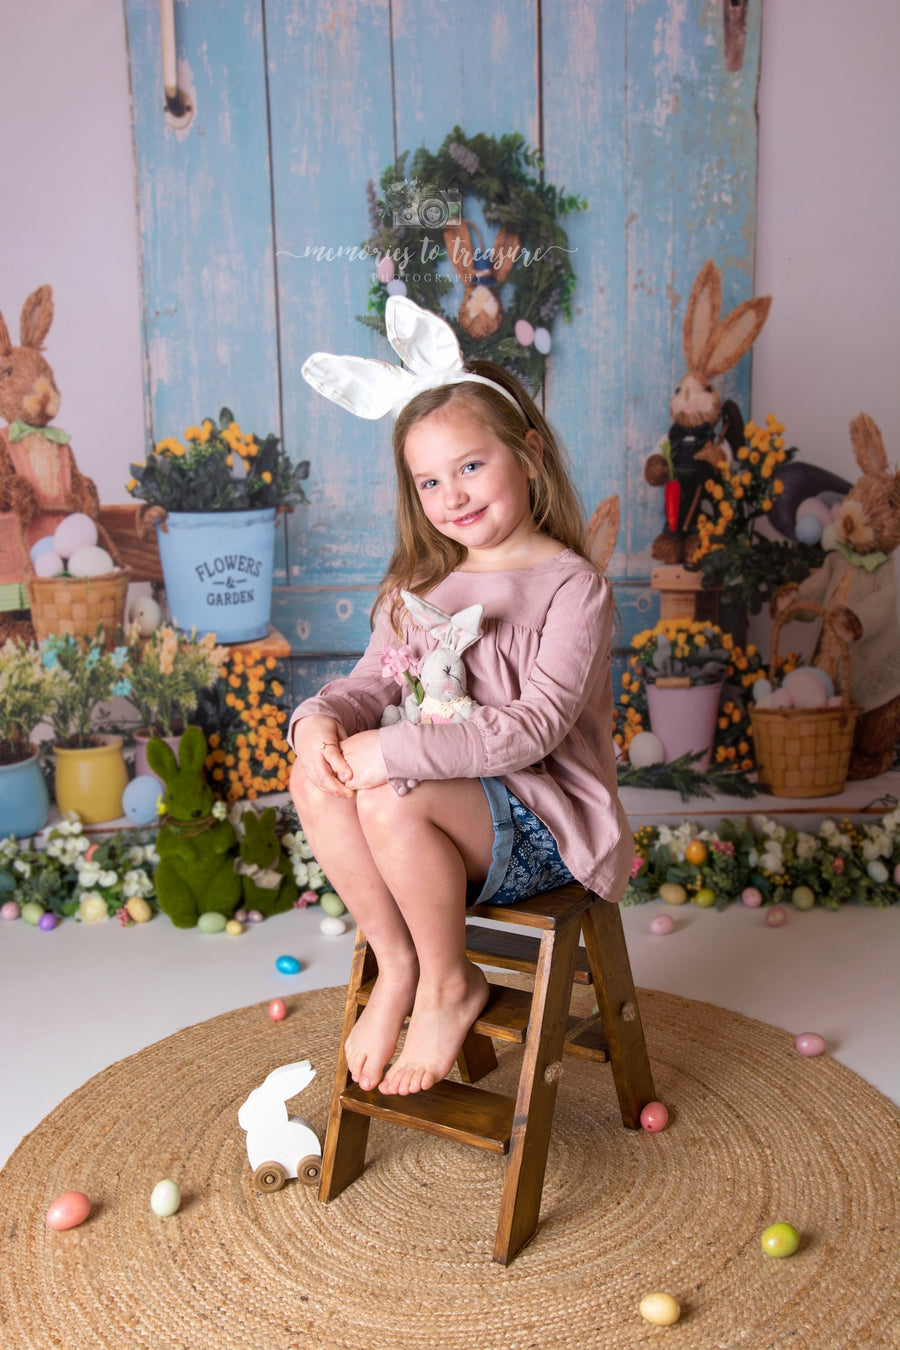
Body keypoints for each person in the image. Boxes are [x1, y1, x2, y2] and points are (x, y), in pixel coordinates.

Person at [289, 297, 633, 1099]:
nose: (453, 495)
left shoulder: (571, 588)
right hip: (451, 815)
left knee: (393, 791)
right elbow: (372, 682)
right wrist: (322, 723)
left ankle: (453, 986)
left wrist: (392, 751)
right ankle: (402, 963)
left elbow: (533, 729)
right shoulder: (422, 586)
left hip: (544, 823)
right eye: (431, 480)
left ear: (530, 455)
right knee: (319, 775)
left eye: (471, 467)